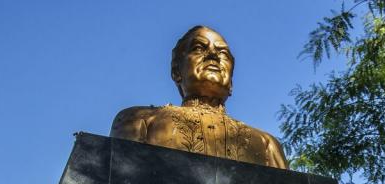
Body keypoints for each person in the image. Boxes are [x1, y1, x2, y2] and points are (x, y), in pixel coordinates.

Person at [111, 25, 289, 169]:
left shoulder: (267, 144)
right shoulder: (139, 120)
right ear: (176, 71)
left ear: (231, 82)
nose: (213, 55)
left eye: (223, 53)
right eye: (199, 48)